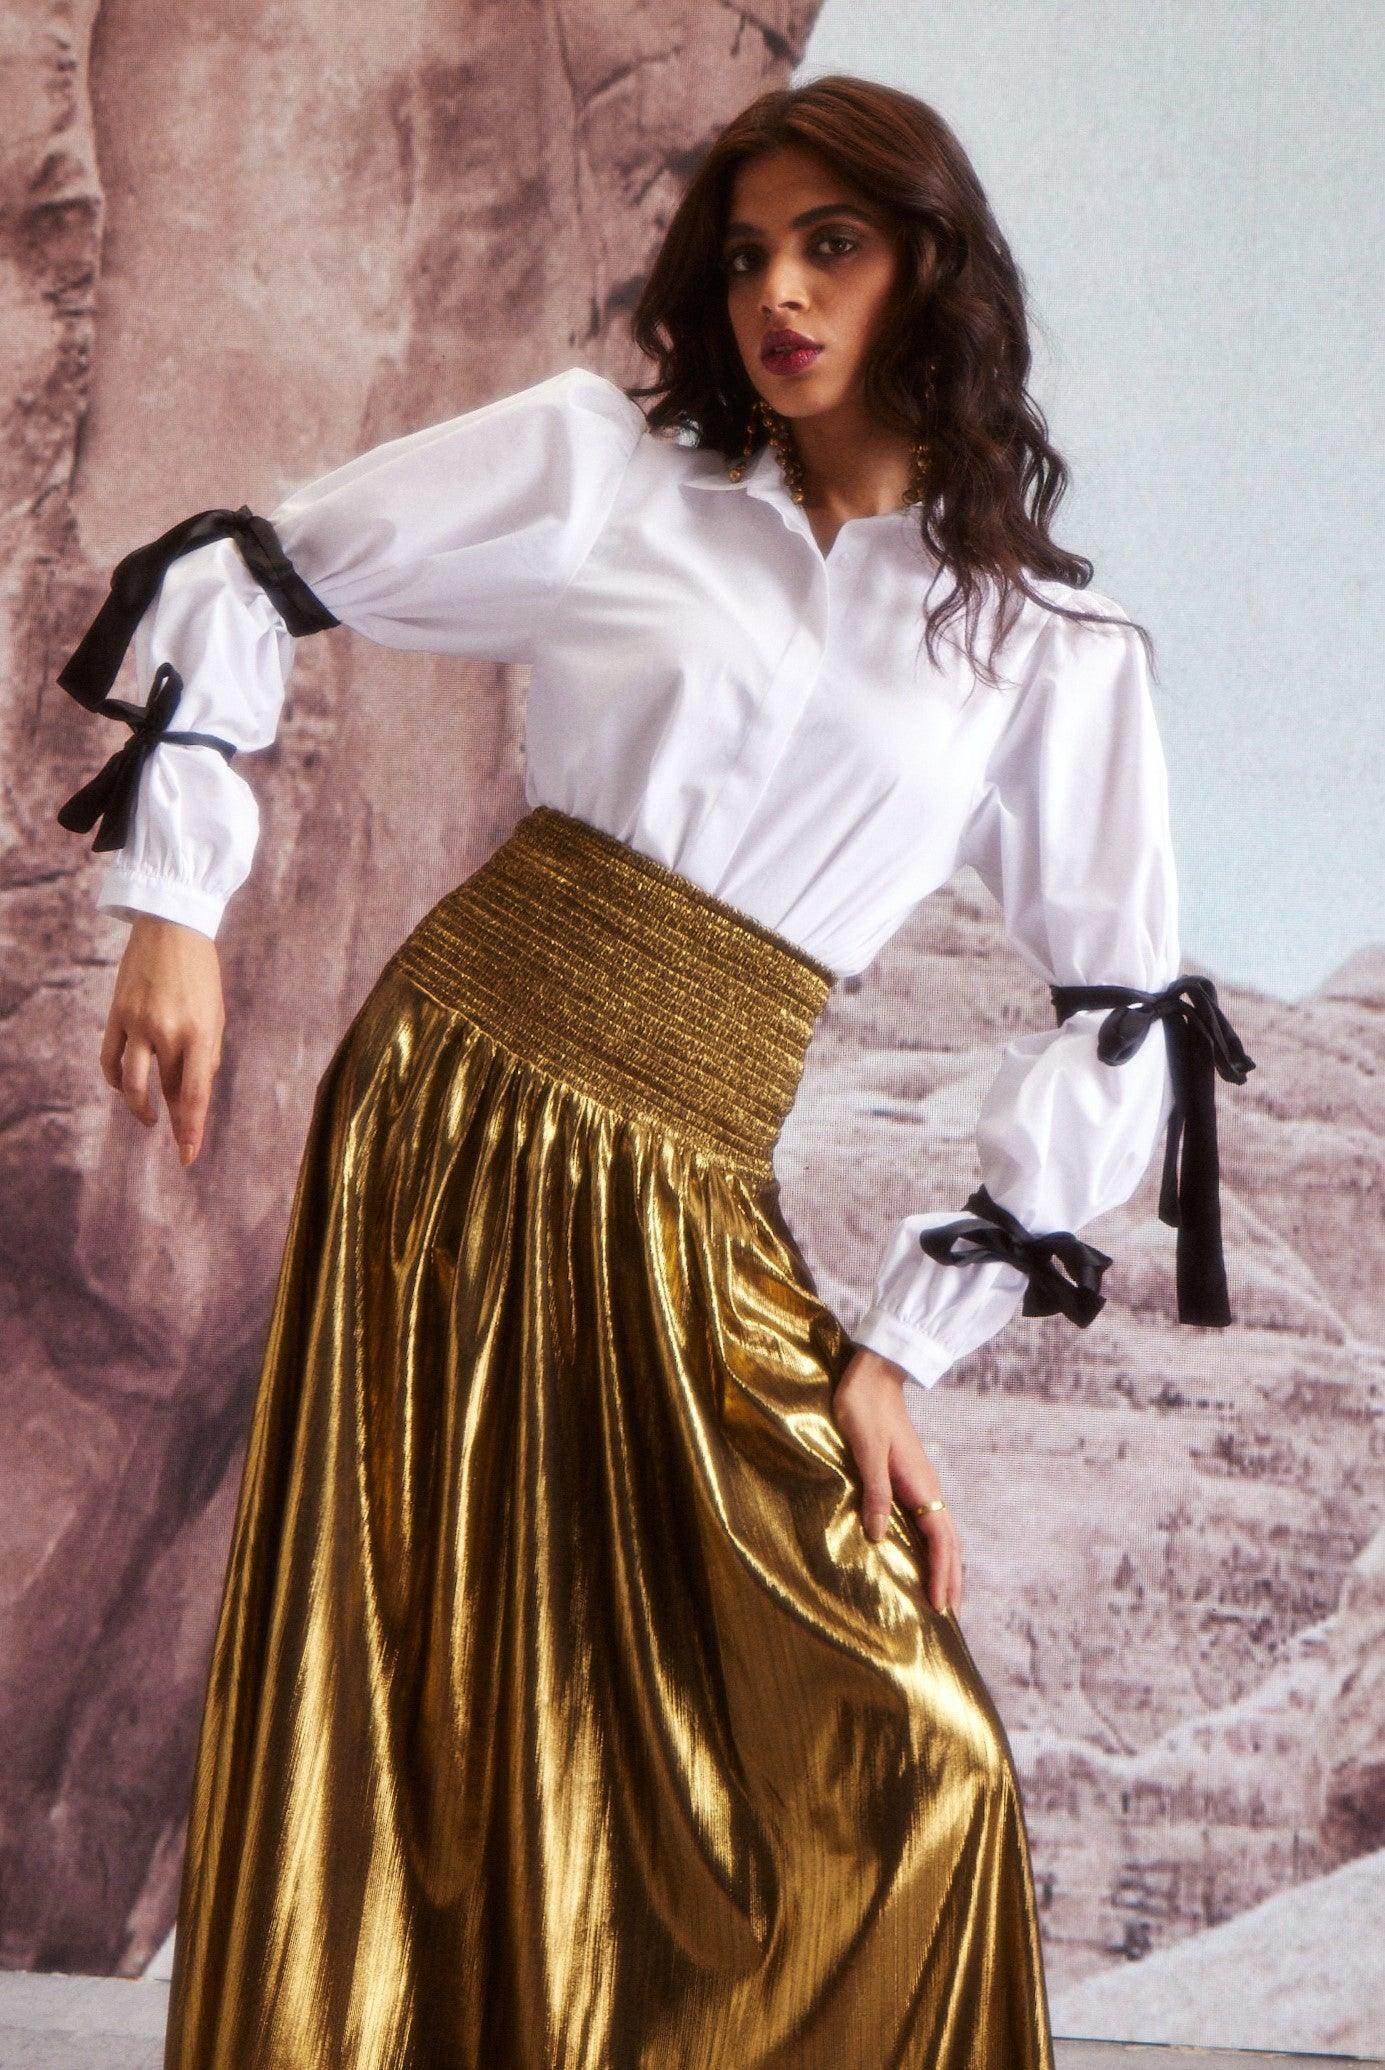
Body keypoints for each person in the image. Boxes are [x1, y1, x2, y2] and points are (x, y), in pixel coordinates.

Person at [54, 72, 1252, 2070]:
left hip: (696, 1169)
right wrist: (176, 905)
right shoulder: (608, 469)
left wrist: (900, 1352)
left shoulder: (1047, 647)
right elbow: (252, 574)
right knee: (447, 1701)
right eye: (750, 251)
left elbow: (1121, 1013)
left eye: (832, 246)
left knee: (918, 1761)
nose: (780, 292)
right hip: (456, 1098)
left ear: (929, 270)